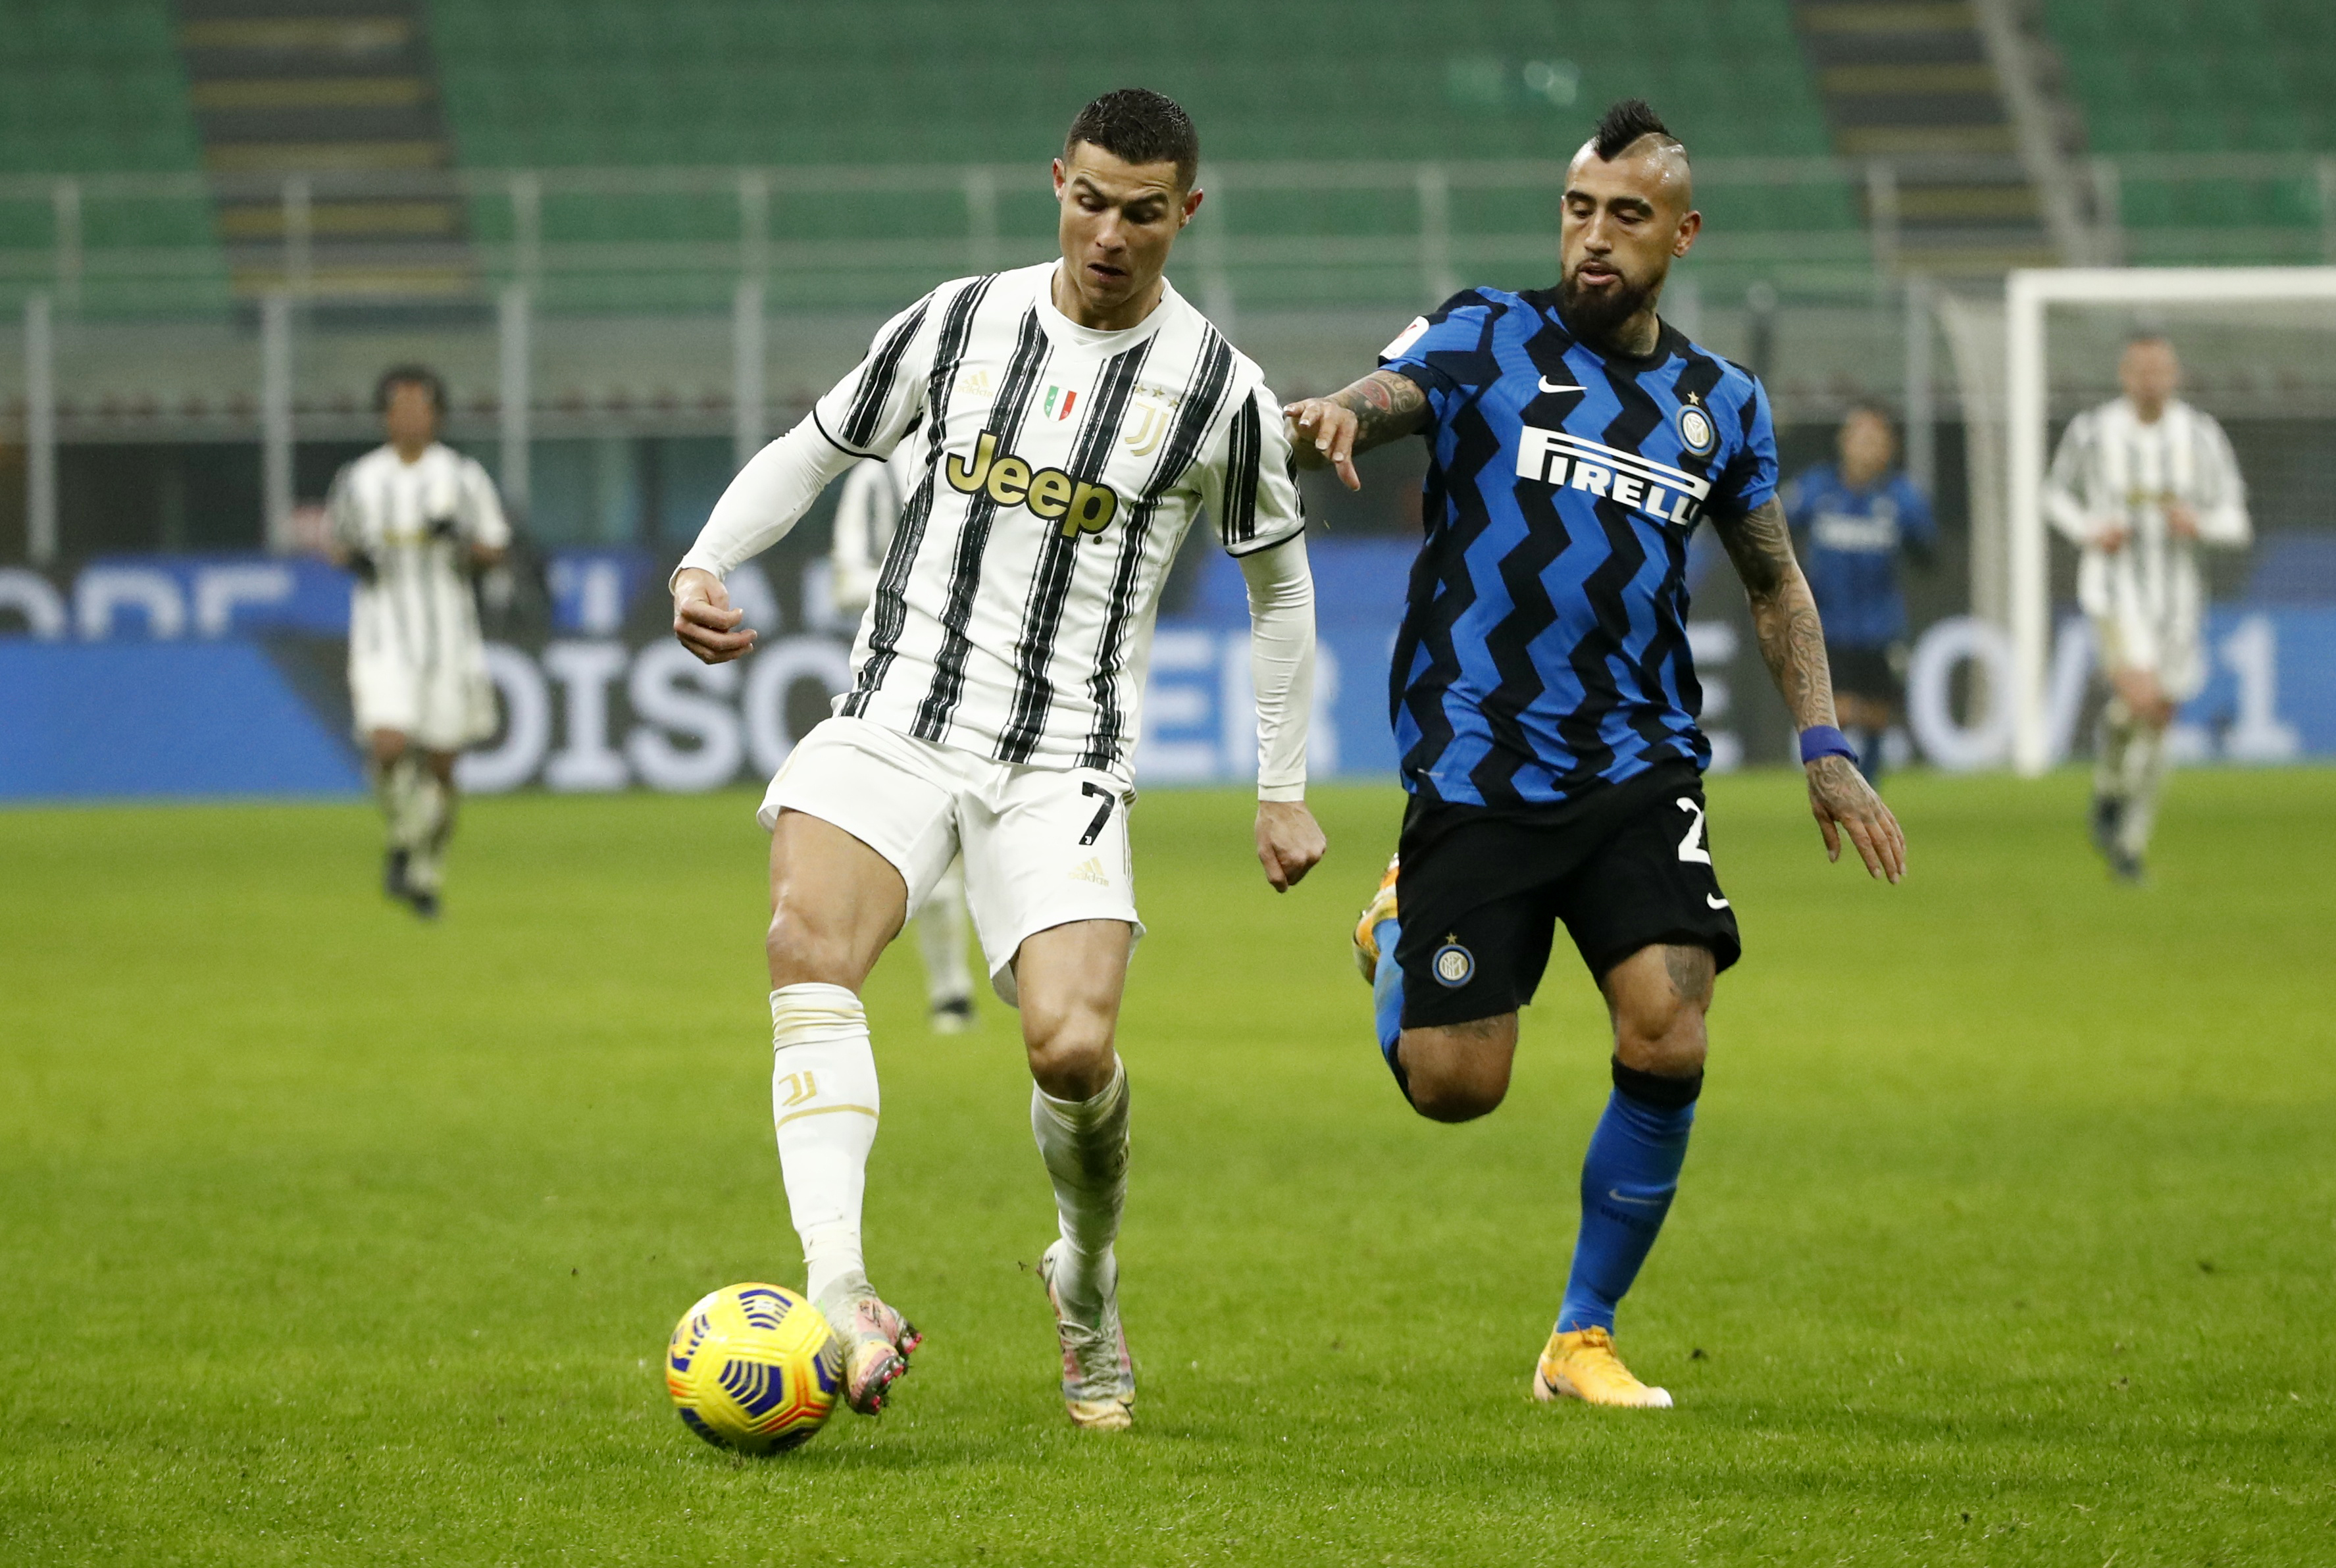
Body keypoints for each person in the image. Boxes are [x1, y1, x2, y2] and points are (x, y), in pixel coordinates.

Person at [669, 88, 1325, 1432]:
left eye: (1142, 212)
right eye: (1088, 199)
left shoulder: (1220, 391)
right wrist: (703, 562)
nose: (1109, 233)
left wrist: (1280, 785)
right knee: (805, 944)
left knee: (1073, 1050)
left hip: (1062, 756)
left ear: (1183, 215)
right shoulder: (957, 321)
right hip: (896, 716)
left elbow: (1282, 593)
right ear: (1056, 185)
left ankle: (1082, 1279)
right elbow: (812, 448)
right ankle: (839, 1288)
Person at [1282, 99, 1905, 1410]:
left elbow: (1775, 583)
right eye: (1577, 209)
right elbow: (1388, 393)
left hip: (1636, 762)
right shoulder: (1483, 333)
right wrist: (1339, 410)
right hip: (1476, 760)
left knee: (1669, 1031)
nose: (1593, 238)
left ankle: (1580, 1336)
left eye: (1625, 216)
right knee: (1457, 1088)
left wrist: (1823, 746)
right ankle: (1398, 932)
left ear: (1679, 233)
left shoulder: (1715, 403)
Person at [2044, 334, 2250, 882]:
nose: (2150, 379)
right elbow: (2055, 496)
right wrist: (2090, 527)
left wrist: (2200, 523)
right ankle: (2114, 797)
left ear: (2175, 374)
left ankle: (2127, 837)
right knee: (2144, 698)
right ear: (2124, 373)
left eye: (2160, 369)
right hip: (2113, 592)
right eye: (2140, 369)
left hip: (2178, 602)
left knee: (2151, 720)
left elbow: (2236, 518)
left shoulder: (2201, 436)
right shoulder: (2093, 431)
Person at [328, 366, 510, 918]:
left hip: (449, 634)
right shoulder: (360, 478)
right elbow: (337, 542)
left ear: (436, 414)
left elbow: (495, 546)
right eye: (399, 406)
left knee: (443, 765)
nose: (409, 415)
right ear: (386, 415)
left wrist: (460, 539)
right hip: (382, 630)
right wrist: (352, 557)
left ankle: (424, 869)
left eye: (419, 405)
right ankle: (406, 834)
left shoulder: (462, 476)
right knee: (387, 744)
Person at [830, 442, 979, 1033]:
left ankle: (1050, 994)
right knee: (938, 872)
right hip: (912, 689)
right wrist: (943, 597)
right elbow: (849, 579)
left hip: (1012, 684)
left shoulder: (1020, 449)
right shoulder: (879, 477)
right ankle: (952, 995)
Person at [1781, 404, 1935, 786]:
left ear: (1889, 448)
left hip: (1881, 626)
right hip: (1827, 625)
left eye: (1875, 438)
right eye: (1859, 437)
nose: (1866, 446)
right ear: (1843, 442)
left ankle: (1870, 789)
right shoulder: (1816, 488)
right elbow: (1774, 526)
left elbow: (1928, 553)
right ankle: (1837, 785)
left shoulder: (1901, 497)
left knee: (1877, 715)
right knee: (1840, 710)